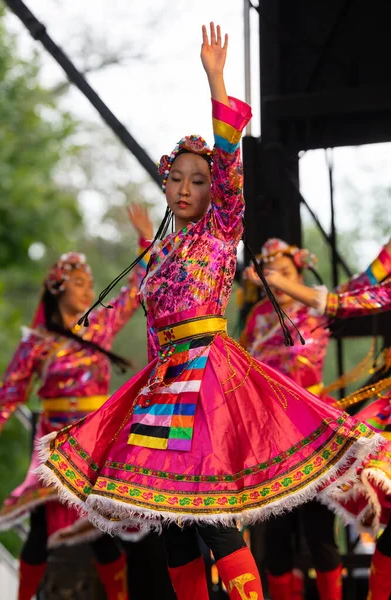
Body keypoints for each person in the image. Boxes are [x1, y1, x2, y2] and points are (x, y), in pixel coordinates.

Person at [38, 23, 385, 600]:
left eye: (197, 181)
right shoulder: (163, 254)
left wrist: (217, 79)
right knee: (172, 523)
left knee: (212, 516)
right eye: (175, 177)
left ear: (212, 192)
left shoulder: (222, 232)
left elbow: (227, 167)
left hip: (207, 379)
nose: (184, 187)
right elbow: (152, 325)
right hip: (165, 382)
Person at [0, 204, 152, 600]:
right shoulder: (37, 342)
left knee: (100, 532)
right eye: (80, 283)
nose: (87, 290)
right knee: (42, 531)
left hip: (95, 438)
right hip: (54, 440)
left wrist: (146, 242)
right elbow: (12, 387)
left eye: (89, 283)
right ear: (59, 288)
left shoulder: (100, 324)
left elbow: (134, 292)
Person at [242, 238, 391, 600]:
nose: (277, 277)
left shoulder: (317, 306)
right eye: (271, 272)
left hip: (314, 431)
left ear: (299, 272)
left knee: (318, 531)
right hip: (269, 435)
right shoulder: (258, 318)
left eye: (285, 272)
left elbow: (365, 284)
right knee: (275, 539)